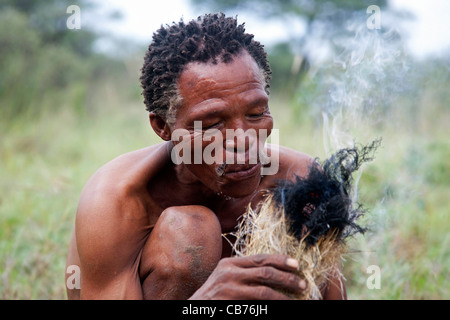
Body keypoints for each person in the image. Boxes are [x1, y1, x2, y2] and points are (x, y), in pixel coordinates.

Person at [65, 13, 346, 300]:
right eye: (212, 124)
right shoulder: (116, 200)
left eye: (256, 114)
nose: (244, 141)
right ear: (163, 126)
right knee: (190, 233)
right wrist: (204, 302)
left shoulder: (297, 178)